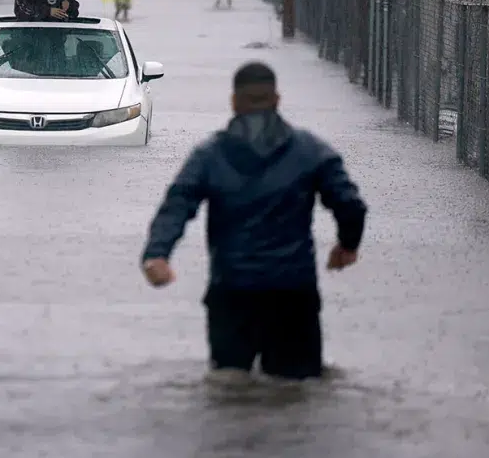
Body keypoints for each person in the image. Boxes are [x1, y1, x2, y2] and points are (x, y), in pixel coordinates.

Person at [140, 62, 367, 381]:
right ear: (277, 99)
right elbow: (350, 204)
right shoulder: (310, 151)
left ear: (234, 102)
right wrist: (347, 245)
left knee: (229, 390)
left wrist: (157, 254)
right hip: (293, 292)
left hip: (232, 291)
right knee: (297, 393)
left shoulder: (209, 155)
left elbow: (178, 204)